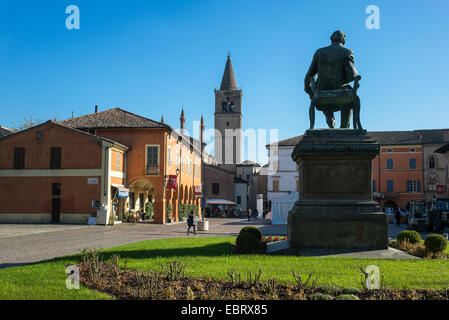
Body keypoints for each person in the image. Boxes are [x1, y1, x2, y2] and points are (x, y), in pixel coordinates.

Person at [304, 30, 358, 128]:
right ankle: (344, 128)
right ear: (343, 40)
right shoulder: (347, 52)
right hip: (340, 92)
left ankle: (329, 117)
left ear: (331, 39)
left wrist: (309, 90)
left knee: (321, 90)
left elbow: (309, 75)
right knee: (348, 95)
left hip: (321, 93)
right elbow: (352, 75)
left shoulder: (319, 52)